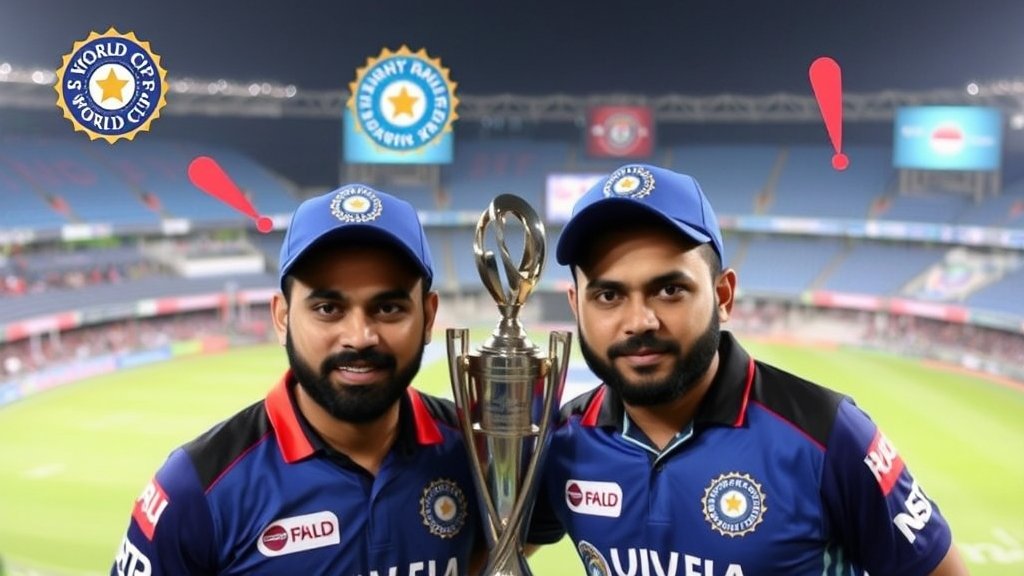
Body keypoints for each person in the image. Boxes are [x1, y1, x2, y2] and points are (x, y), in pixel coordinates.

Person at [527, 164, 970, 575]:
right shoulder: (563, 440)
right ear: (576, 306)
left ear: (723, 295)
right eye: (608, 296)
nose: (640, 321)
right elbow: (493, 550)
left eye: (669, 289)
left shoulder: (828, 433)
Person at [112, 185, 482, 575]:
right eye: (327, 308)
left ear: (428, 315)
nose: (359, 336)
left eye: (388, 308)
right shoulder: (197, 485)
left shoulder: (478, 451)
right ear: (282, 317)